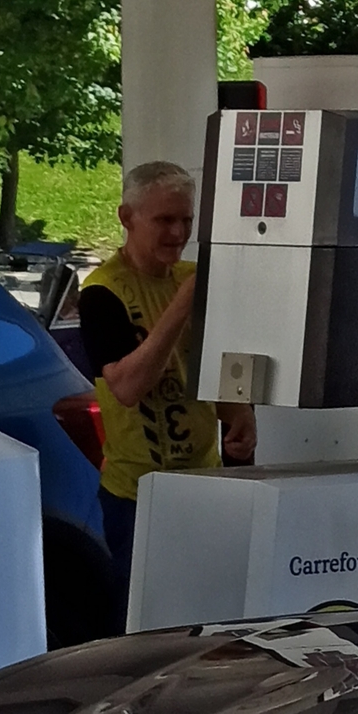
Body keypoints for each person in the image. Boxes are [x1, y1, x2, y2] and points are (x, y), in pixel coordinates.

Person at [77, 160, 256, 598]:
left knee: (214, 610)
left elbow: (224, 359)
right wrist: (180, 307)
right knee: (146, 620)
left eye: (186, 220)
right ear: (127, 218)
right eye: (164, 220)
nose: (177, 234)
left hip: (206, 485)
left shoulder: (194, 277)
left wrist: (240, 414)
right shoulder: (103, 291)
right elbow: (126, 387)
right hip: (138, 498)